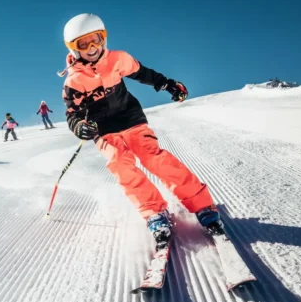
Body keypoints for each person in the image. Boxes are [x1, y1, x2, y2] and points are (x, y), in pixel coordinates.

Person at [60, 13, 222, 249]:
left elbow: (143, 73)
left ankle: (202, 205)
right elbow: (71, 113)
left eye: (95, 39)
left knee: (153, 157)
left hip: (131, 118)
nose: (92, 48)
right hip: (104, 130)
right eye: (83, 44)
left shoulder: (117, 59)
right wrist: (79, 126)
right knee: (120, 164)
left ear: (103, 38)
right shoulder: (74, 82)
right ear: (74, 49)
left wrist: (167, 84)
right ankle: (154, 213)